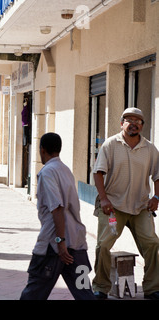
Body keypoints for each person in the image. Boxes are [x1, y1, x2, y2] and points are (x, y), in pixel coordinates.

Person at [92, 107, 159, 300]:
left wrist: (156, 198)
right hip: (113, 207)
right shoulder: (110, 145)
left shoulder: (150, 149)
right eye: (129, 120)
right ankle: (101, 288)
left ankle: (153, 287)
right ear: (122, 123)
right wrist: (103, 199)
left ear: (142, 126)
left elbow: (157, 175)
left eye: (138, 121)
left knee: (153, 243)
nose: (134, 123)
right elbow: (98, 173)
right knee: (104, 245)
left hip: (140, 207)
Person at [20, 132, 95, 300]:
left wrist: (60, 242)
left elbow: (57, 209)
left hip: (54, 246)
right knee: (84, 292)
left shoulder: (47, 172)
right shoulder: (66, 170)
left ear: (42, 150)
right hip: (76, 242)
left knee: (34, 292)